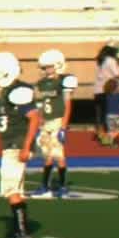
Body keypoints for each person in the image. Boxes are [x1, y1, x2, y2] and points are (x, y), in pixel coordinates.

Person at [0, 52, 41, 238]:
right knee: (15, 191)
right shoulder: (9, 91)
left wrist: (26, 146)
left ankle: (22, 234)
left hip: (17, 145)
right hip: (12, 145)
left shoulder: (18, 91)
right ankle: (21, 232)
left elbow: (34, 118)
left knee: (11, 190)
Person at [32, 50, 77, 199]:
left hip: (57, 120)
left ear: (58, 65)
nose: (45, 69)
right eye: (44, 67)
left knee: (59, 155)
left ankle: (62, 187)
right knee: (47, 156)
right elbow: (40, 104)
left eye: (48, 67)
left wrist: (64, 126)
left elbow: (67, 104)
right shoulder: (41, 83)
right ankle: (46, 187)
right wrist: (39, 122)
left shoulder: (64, 81)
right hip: (46, 122)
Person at [95, 41, 119, 146]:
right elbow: (118, 74)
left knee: (101, 116)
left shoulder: (102, 60)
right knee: (109, 117)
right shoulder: (111, 60)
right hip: (107, 91)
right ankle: (108, 139)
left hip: (98, 91)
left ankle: (102, 136)